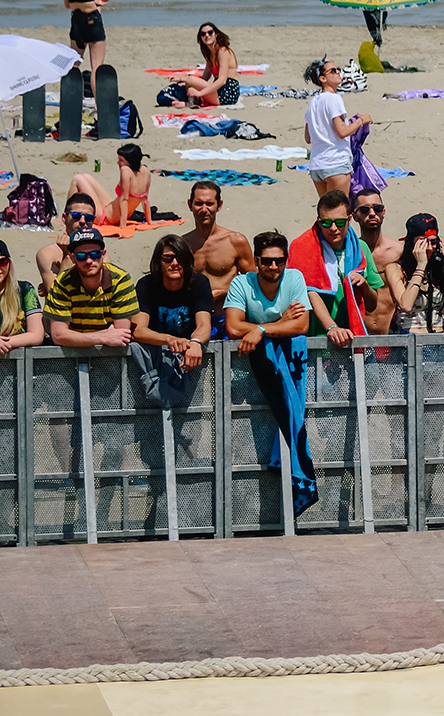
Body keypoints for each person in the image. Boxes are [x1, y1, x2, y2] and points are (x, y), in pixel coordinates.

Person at [223, 230, 317, 515]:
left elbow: (301, 327)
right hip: (249, 376)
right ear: (256, 261)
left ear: (286, 260)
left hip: (287, 373)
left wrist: (261, 330)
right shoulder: (242, 282)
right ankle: (245, 514)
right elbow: (233, 327)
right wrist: (279, 324)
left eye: (279, 261)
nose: (273, 267)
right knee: (245, 442)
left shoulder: (295, 278)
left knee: (289, 426)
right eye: (266, 261)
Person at [288, 189, 384, 347]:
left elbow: (372, 306)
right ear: (318, 221)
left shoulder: (361, 248)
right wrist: (332, 327)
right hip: (317, 340)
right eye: (326, 223)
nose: (333, 228)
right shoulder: (303, 248)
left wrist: (364, 286)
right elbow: (310, 292)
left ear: (350, 219)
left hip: (352, 338)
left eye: (339, 222)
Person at [129, 235, 212, 406]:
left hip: (189, 357)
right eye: (167, 258)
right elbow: (138, 330)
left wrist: (196, 342)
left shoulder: (199, 282)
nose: (174, 263)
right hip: (154, 359)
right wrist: (169, 339)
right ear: (158, 262)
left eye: (180, 258)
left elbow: (204, 324)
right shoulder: (146, 285)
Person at [43, 227, 138, 351]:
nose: (89, 261)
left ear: (103, 254)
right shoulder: (62, 283)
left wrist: (75, 337)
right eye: (81, 256)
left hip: (112, 354)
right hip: (73, 354)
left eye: (94, 254)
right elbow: (59, 336)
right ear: (72, 258)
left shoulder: (120, 280)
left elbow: (121, 335)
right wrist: (103, 336)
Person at [180, 181, 255, 324]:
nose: (204, 209)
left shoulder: (235, 241)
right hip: (193, 318)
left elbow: (253, 282)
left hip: (226, 317)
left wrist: (224, 292)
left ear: (219, 205)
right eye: (198, 203)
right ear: (190, 205)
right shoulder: (183, 245)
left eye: (209, 204)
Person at [303, 57, 371, 197]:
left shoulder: (313, 102)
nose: (338, 72)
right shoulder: (334, 98)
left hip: (317, 164)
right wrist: (360, 121)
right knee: (340, 208)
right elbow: (342, 132)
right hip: (335, 162)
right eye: (333, 71)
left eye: (338, 69)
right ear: (323, 79)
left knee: (326, 209)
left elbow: (308, 137)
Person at [0, 240, 43, 360]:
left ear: (9, 263)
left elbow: (37, 335)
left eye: (2, 261)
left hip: (17, 366)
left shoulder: (25, 290)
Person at [351, 188, 402, 334]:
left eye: (377, 208)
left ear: (383, 212)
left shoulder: (399, 252)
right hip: (360, 335)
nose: (372, 213)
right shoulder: (351, 253)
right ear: (354, 216)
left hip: (392, 335)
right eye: (364, 210)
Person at [36, 189, 103, 296]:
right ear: (64, 218)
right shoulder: (47, 253)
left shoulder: (99, 252)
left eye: (88, 218)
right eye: (76, 216)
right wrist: (67, 255)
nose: (82, 221)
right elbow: (55, 296)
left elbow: (101, 292)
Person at [63, 0, 109, 79]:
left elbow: (67, 4)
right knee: (96, 66)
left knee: (74, 63)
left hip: (76, 21)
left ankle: (72, 88)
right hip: (91, 20)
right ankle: (96, 92)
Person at [184, 23, 241, 109]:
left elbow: (222, 81)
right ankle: (191, 102)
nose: (207, 35)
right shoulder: (211, 54)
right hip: (218, 89)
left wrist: (200, 93)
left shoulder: (223, 51)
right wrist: (183, 80)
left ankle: (194, 100)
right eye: (203, 34)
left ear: (216, 34)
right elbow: (205, 78)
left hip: (228, 91)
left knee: (191, 80)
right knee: (189, 81)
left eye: (210, 32)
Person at [103, 144, 153, 229]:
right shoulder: (146, 171)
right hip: (114, 212)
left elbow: (124, 199)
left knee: (81, 178)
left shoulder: (125, 170)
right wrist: (150, 221)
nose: (118, 163)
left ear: (131, 161)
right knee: (84, 178)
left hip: (107, 217)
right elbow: (145, 199)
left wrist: (123, 225)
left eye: (121, 160)